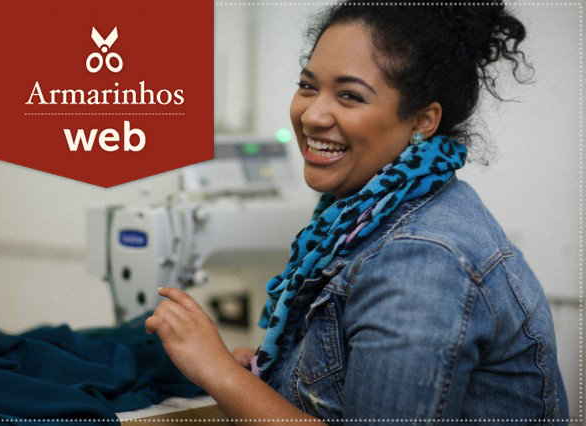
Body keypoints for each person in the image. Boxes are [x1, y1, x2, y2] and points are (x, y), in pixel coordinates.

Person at [145, 0, 569, 423]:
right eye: (308, 86)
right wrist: (265, 379)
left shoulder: (421, 259)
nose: (312, 115)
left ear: (422, 121)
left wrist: (218, 373)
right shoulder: (362, 219)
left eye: (350, 95)